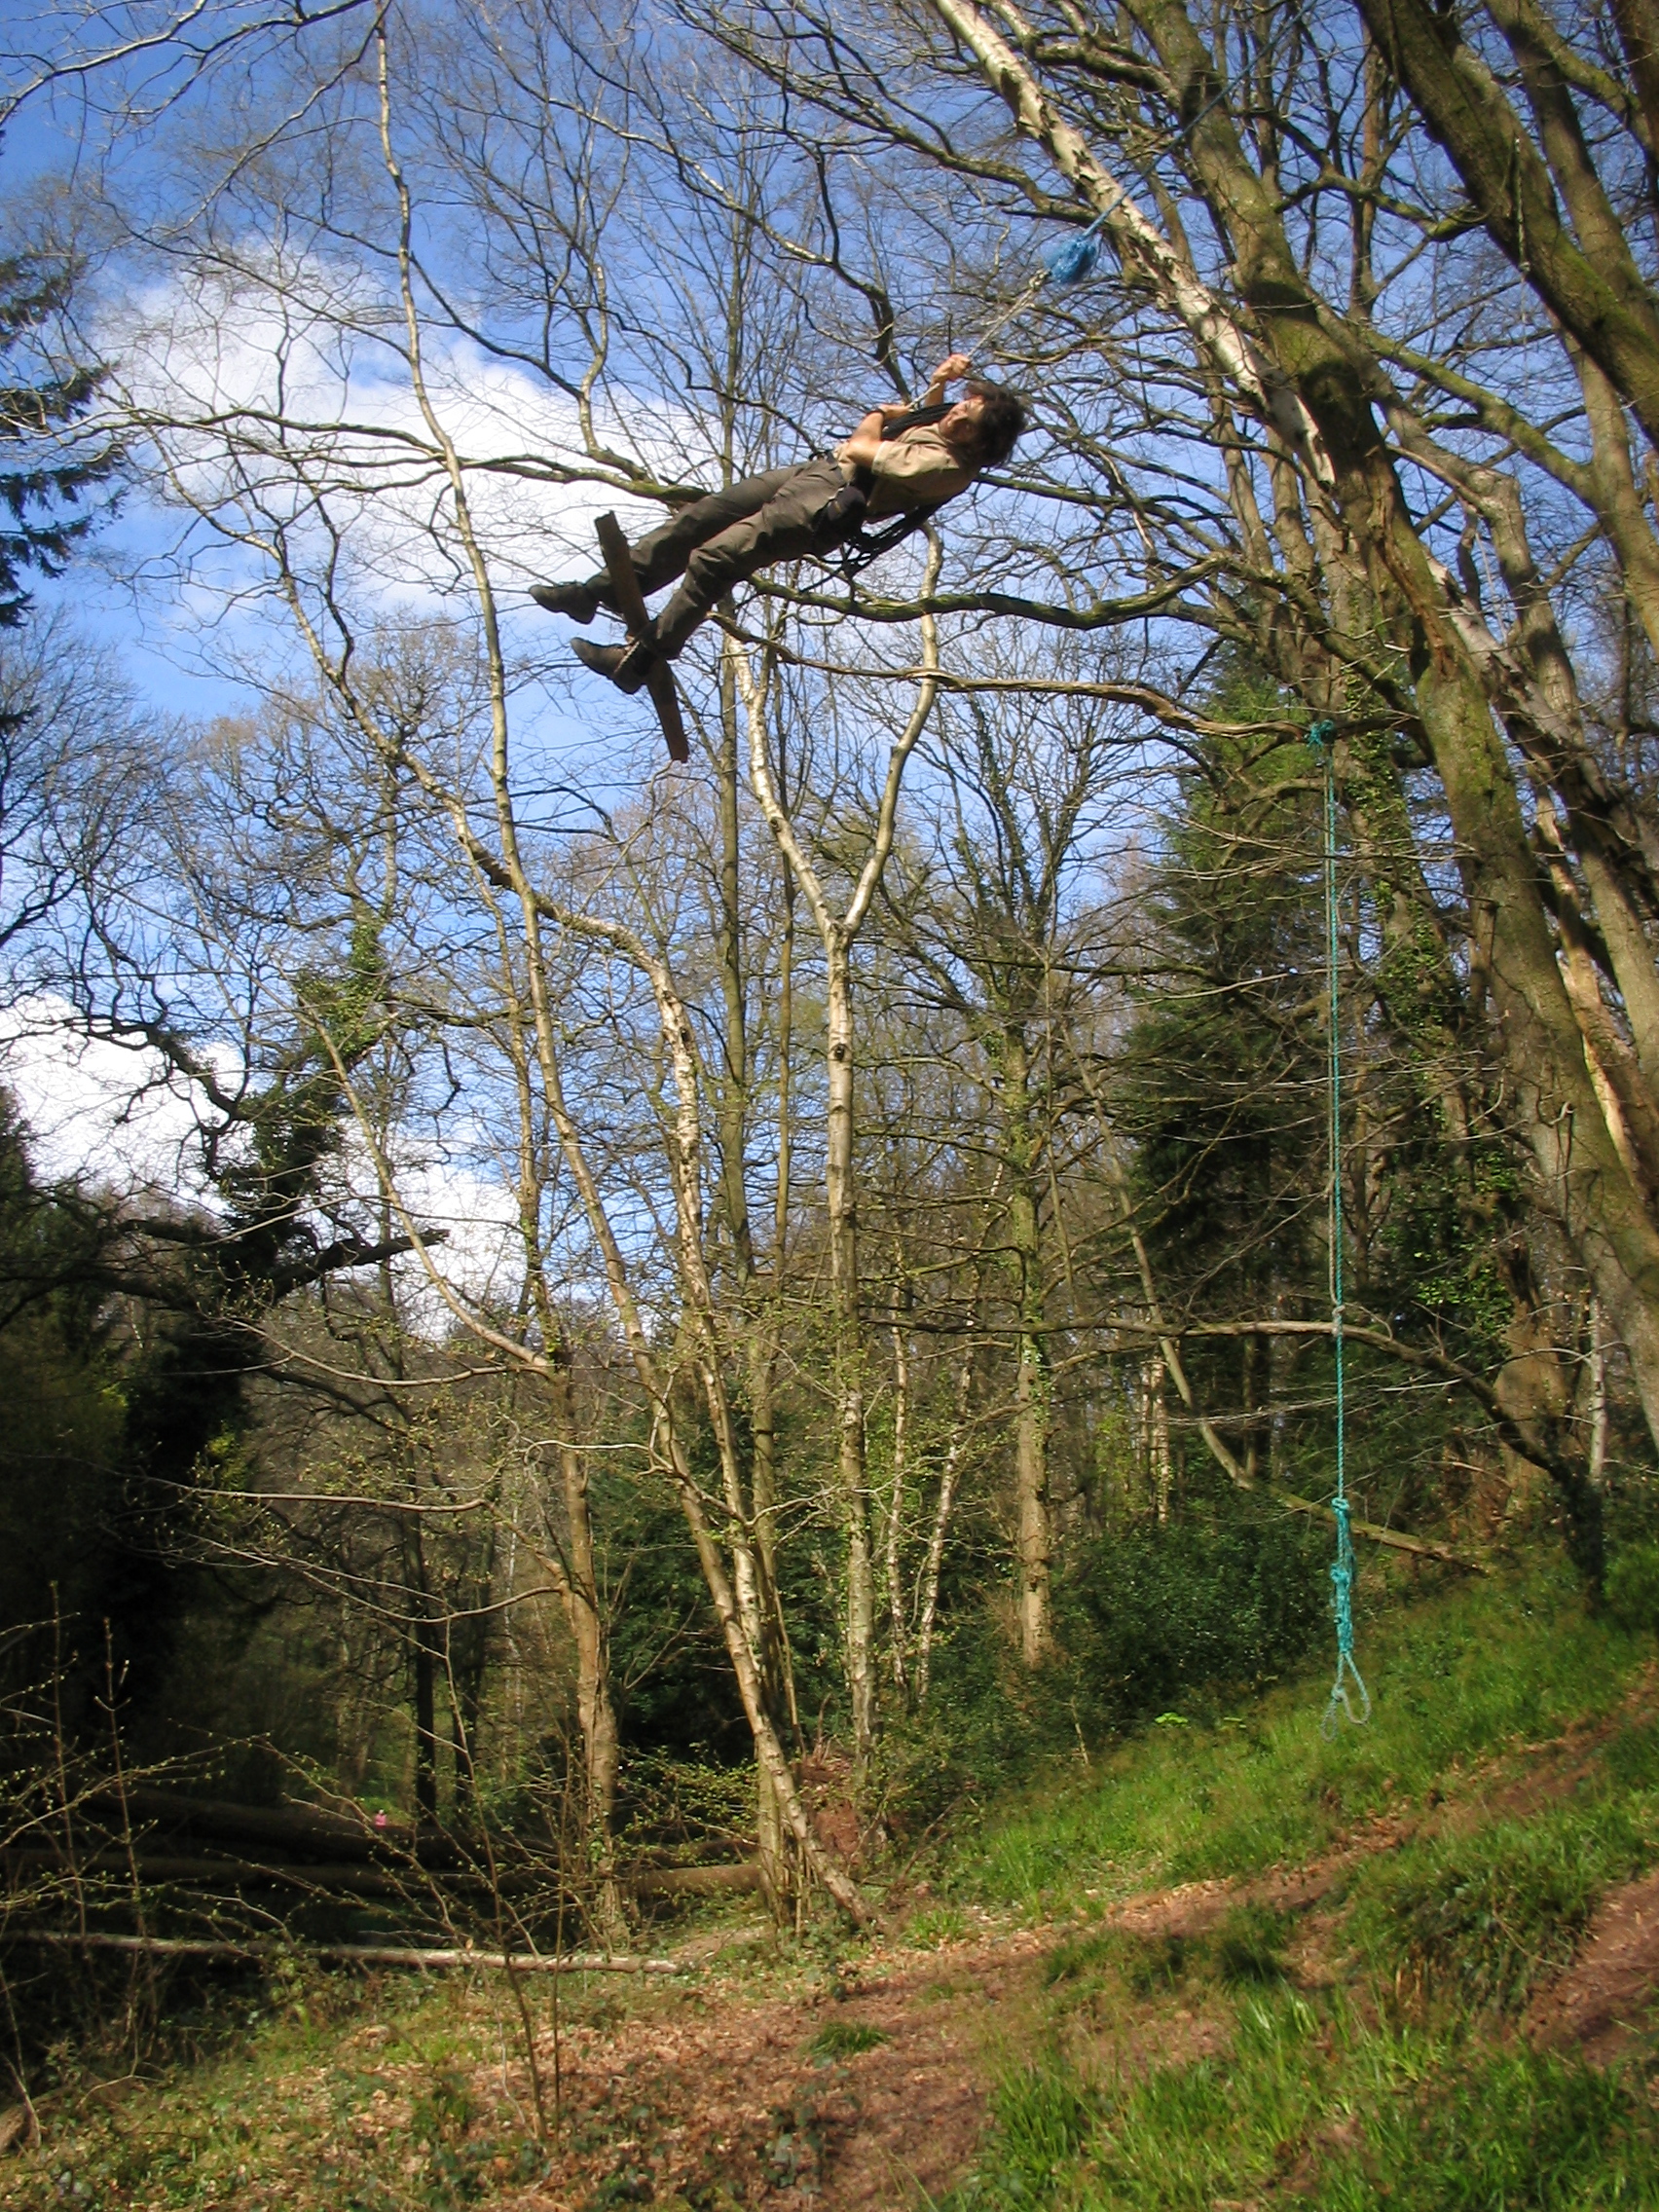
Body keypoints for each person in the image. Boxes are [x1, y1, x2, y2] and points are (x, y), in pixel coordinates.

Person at [530, 353, 1026, 692]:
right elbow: (923, 419)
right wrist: (942, 380)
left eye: (966, 421)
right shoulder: (945, 425)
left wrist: (876, 412)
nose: (953, 417)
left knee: (714, 559)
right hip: (815, 472)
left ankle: (639, 659)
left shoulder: (950, 468)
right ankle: (598, 593)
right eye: (961, 406)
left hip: (826, 501)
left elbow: (863, 447)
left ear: (980, 446)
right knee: (698, 521)